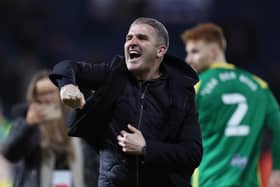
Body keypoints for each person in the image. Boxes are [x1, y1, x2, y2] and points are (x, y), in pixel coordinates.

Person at [49, 17, 203, 187]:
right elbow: (65, 67)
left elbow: (192, 153)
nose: (132, 42)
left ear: (160, 50)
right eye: (129, 38)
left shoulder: (180, 92)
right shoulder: (113, 76)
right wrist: (67, 85)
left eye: (142, 38)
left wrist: (146, 148)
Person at [181, 23, 280, 187]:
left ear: (213, 51)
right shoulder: (259, 86)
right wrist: (277, 168)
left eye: (194, 51)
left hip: (209, 181)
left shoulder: (198, 87)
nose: (188, 59)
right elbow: (278, 126)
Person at [2, 70, 88, 187]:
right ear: (34, 97)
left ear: (60, 92)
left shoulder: (76, 117)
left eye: (51, 92)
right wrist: (27, 124)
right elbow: (9, 153)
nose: (47, 98)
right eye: (41, 93)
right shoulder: (27, 118)